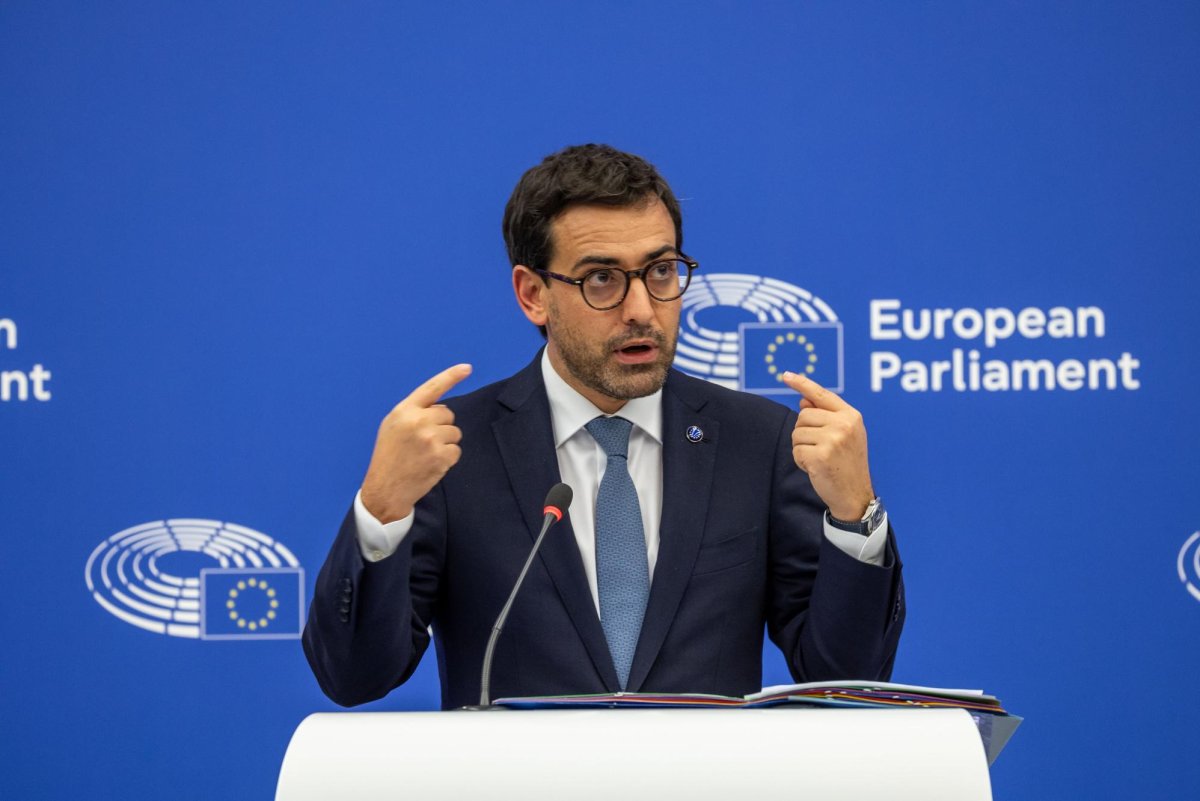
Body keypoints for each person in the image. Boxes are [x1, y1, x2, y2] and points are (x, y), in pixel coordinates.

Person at [303, 144, 904, 710]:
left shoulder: (759, 441)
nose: (642, 309)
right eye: (601, 279)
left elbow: (848, 680)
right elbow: (354, 677)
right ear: (533, 294)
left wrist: (855, 514)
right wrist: (382, 508)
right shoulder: (456, 451)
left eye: (661, 271)